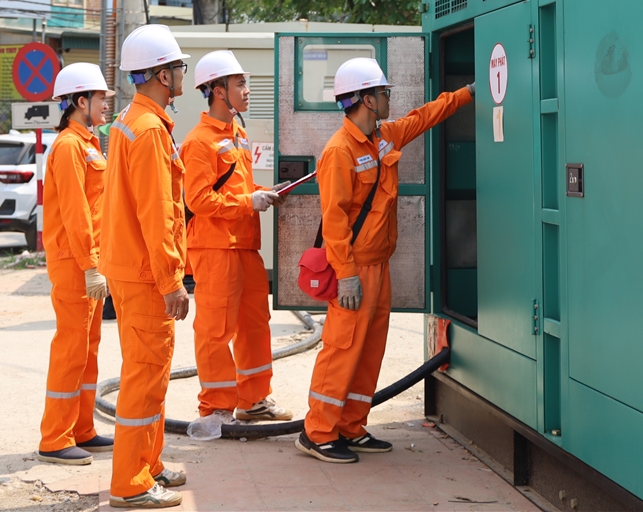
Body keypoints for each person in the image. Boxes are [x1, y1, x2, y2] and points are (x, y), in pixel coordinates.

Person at [297, 58, 474, 463]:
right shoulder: (338, 152)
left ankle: (351, 425)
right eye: (382, 93)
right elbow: (336, 223)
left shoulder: (384, 137)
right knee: (342, 349)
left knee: (369, 349)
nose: (388, 98)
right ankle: (318, 432)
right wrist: (346, 276)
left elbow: (423, 117)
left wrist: (466, 93)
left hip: (379, 265)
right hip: (354, 268)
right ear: (364, 100)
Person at [101, 24, 191, 509]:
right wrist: (171, 280)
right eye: (178, 67)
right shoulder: (150, 130)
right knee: (145, 373)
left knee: (151, 373)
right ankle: (131, 483)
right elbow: (158, 212)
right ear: (161, 74)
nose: (182, 74)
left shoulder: (128, 121)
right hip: (144, 273)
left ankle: (148, 464)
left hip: (130, 267)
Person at [181, 50, 290, 426]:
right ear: (216, 90)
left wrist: (264, 191)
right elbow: (197, 199)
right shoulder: (198, 142)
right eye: (240, 83)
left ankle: (254, 400)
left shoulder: (238, 135)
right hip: (214, 248)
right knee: (215, 330)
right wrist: (249, 200)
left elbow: (237, 188)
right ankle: (216, 408)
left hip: (244, 244)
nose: (247, 89)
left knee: (255, 324)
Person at [37, 63, 117, 466]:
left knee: (88, 350)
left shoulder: (88, 143)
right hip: (74, 264)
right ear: (80, 101)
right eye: (101, 98)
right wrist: (89, 265)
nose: (106, 105)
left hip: (89, 263)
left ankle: (81, 429)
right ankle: (54, 438)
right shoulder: (69, 146)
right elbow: (75, 212)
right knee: (71, 348)